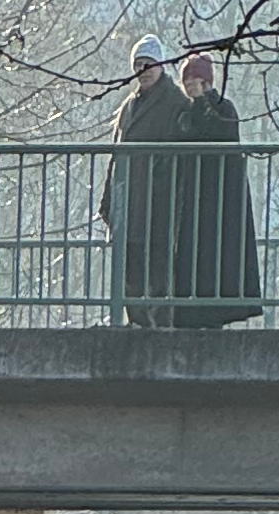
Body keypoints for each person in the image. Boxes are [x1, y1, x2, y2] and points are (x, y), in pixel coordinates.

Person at [171, 50, 264, 328]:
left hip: (221, 198)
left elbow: (220, 133)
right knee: (193, 256)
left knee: (219, 256)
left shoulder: (223, 107)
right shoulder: (185, 112)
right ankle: (190, 312)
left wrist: (206, 101)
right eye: (187, 81)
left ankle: (216, 312)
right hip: (194, 197)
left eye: (195, 80)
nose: (190, 86)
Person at [102, 38, 191, 328]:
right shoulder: (129, 105)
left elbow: (181, 151)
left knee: (159, 264)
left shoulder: (176, 102)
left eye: (148, 63)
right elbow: (116, 156)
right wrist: (108, 201)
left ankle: (160, 325)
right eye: (138, 65)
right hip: (130, 197)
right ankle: (138, 322)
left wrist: (165, 181)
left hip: (159, 198)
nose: (143, 70)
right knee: (130, 265)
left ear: (161, 65)